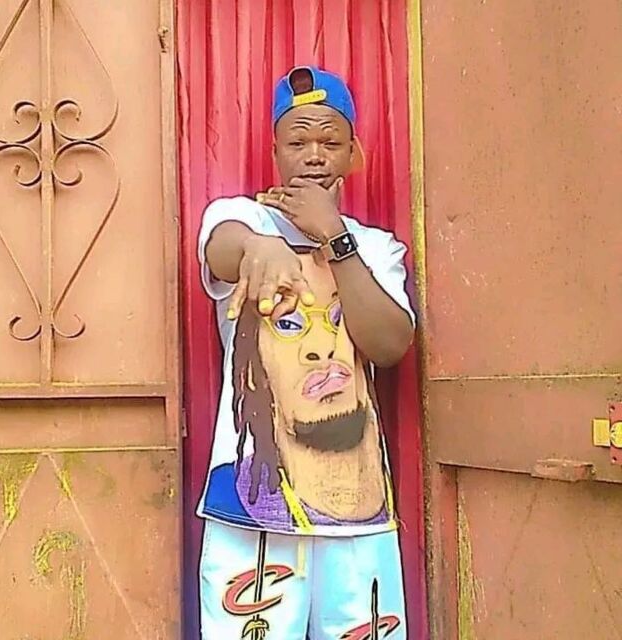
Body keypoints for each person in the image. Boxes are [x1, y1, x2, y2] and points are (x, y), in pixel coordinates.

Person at [197, 65, 415, 640]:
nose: (314, 155)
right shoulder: (240, 218)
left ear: (353, 152)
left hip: (359, 507)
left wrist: (334, 238)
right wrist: (261, 245)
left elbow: (389, 344)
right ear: (275, 151)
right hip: (253, 511)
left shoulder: (375, 248)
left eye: (330, 142)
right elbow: (222, 250)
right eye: (298, 142)